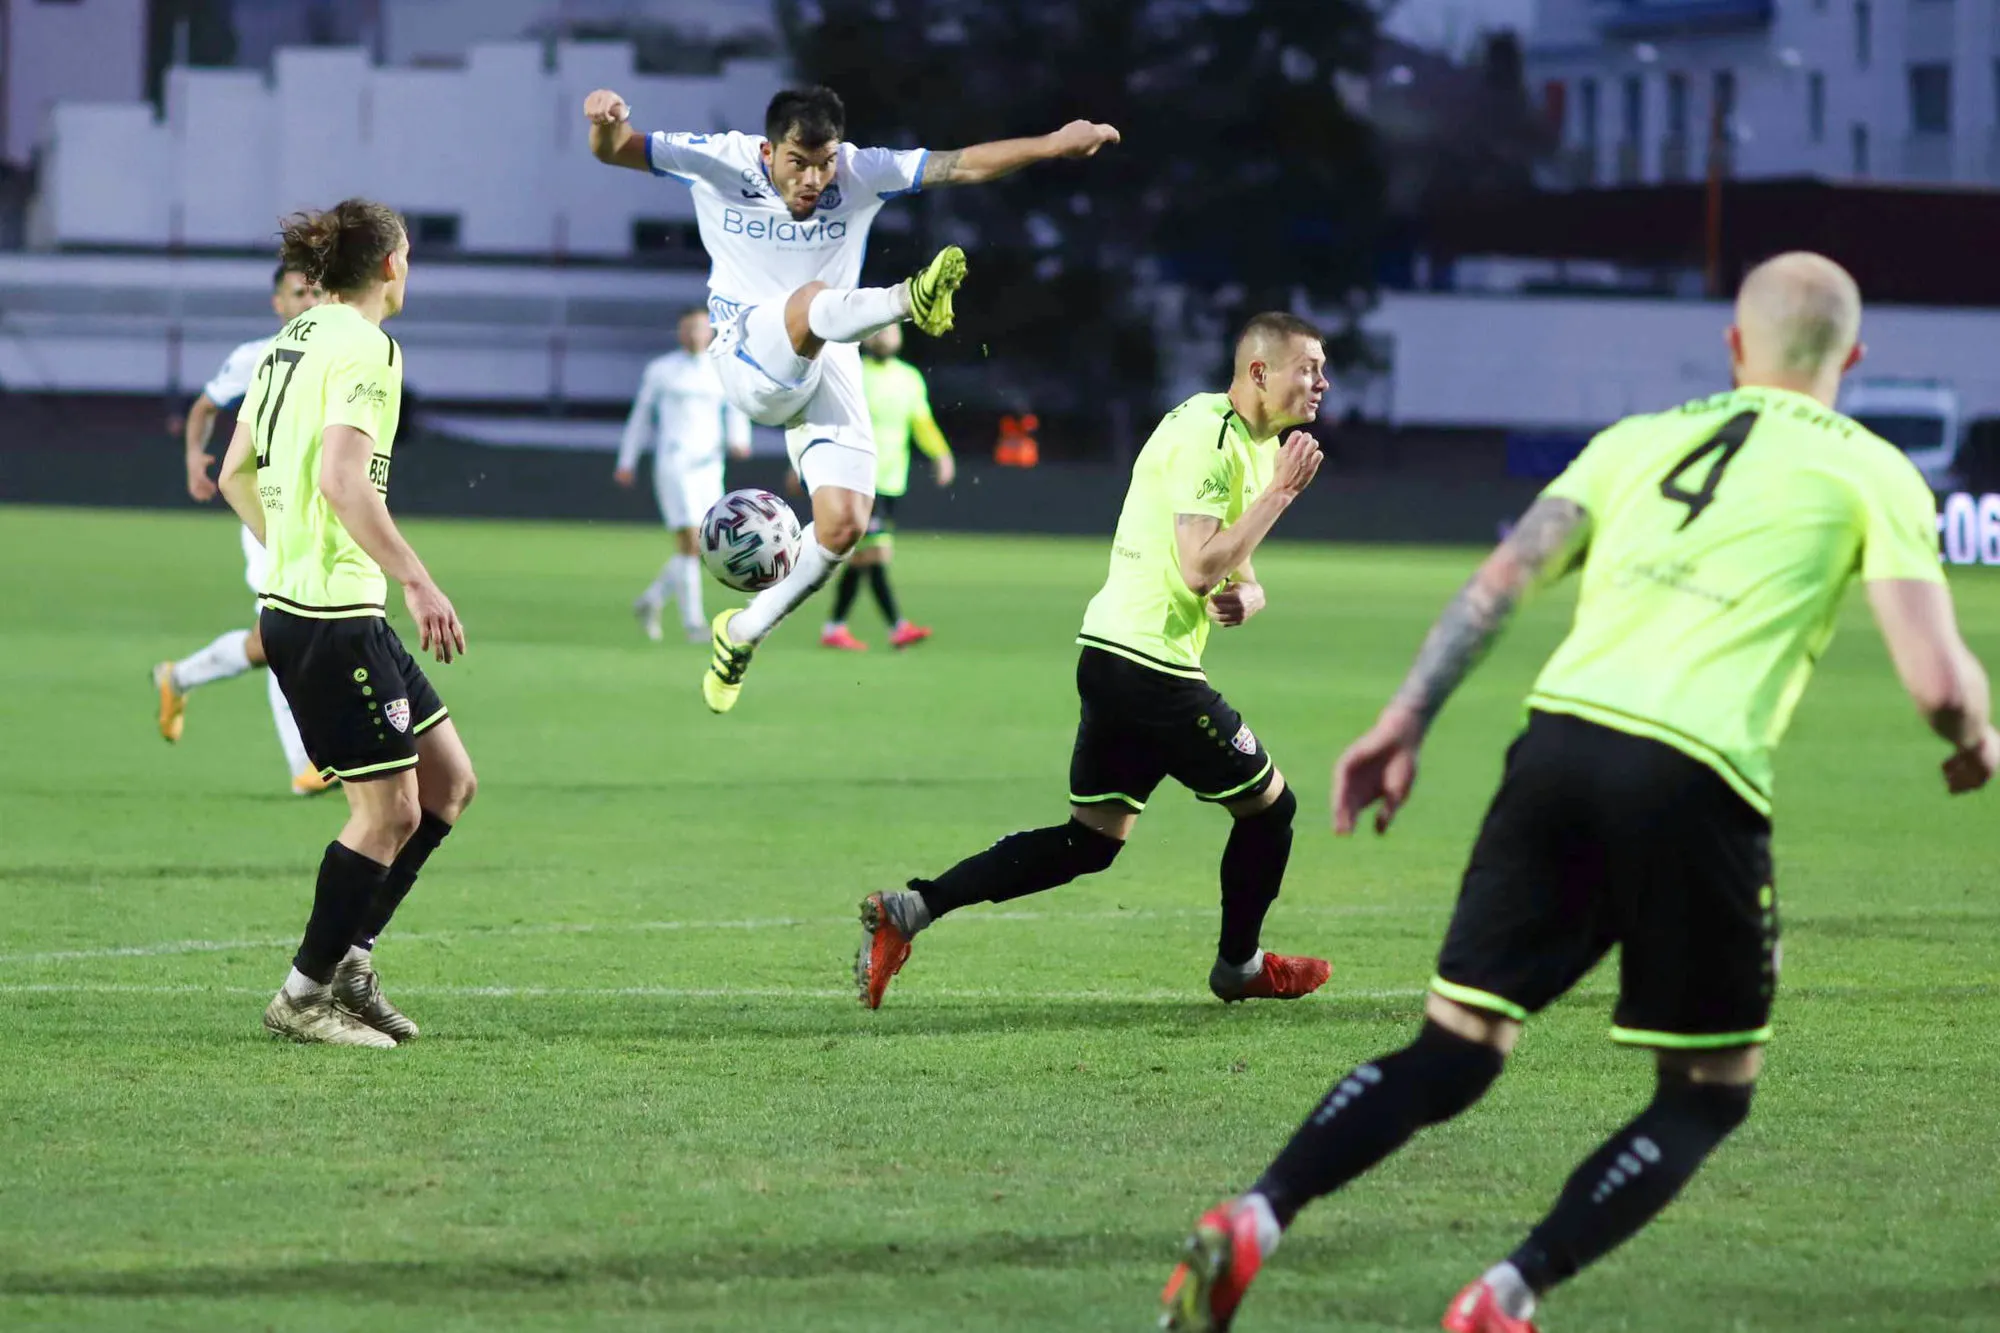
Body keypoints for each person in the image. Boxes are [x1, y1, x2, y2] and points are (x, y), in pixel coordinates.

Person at [1160, 254, 1999, 1333]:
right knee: (1705, 1092)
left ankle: (1254, 1217)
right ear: (1852, 357)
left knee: (1450, 1051)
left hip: (1552, 751)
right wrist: (1974, 735)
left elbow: (1497, 584)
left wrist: (1403, 718)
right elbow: (1936, 683)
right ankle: (1504, 1297)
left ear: (1734, 349)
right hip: (1692, 778)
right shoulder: (1873, 470)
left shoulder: (1633, 442)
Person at [584, 83, 1119, 712]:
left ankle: (744, 632)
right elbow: (615, 149)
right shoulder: (718, 158)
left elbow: (962, 162)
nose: (814, 178)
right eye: (799, 162)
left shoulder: (863, 170)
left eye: (825, 161)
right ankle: (905, 300)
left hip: (830, 354)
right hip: (747, 353)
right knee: (812, 301)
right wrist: (603, 118)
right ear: (768, 150)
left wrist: (1054, 144)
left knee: (843, 527)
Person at [855, 313, 1332, 1010]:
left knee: (1091, 841)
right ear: (1261, 372)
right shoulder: (1208, 437)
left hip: (1114, 657)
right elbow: (1201, 567)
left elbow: (1233, 569)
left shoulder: (1253, 444)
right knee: (1271, 807)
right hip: (1150, 667)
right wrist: (1280, 495)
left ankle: (912, 909)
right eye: (1308, 367)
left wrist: (1250, 595)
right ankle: (1240, 965)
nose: (1322, 382)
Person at [215, 199, 478, 1048]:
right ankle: (301, 996)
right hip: (332, 615)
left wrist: (289, 551)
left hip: (317, 603)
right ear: (393, 264)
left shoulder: (288, 340)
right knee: (385, 813)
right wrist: (419, 579)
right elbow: (342, 477)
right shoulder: (368, 347)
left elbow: (231, 474)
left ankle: (353, 959)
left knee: (445, 785)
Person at [154, 264, 331, 795]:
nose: (309, 300)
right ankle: (306, 764)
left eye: (318, 291)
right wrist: (193, 458)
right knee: (287, 632)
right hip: (267, 511)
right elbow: (204, 407)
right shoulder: (256, 356)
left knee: (289, 635)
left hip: (320, 514)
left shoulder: (338, 356)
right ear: (279, 304)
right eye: (299, 293)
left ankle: (178, 677)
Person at [616, 308, 752, 643]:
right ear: (680, 332)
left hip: (710, 465)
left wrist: (740, 440)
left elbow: (735, 409)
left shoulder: (722, 369)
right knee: (690, 540)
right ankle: (694, 625)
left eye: (700, 328)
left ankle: (652, 600)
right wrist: (627, 460)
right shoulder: (662, 370)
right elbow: (641, 417)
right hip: (674, 463)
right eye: (688, 328)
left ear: (710, 332)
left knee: (704, 547)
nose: (694, 334)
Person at [821, 323, 954, 651]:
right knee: (877, 551)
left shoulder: (909, 378)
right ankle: (898, 626)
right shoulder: (852, 372)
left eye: (890, 330)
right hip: (858, 478)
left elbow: (921, 422)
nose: (884, 336)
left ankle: (835, 627)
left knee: (860, 557)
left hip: (893, 479)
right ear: (865, 336)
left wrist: (941, 454)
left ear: (900, 337)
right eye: (878, 330)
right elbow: (828, 419)